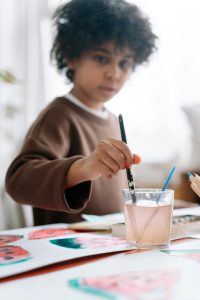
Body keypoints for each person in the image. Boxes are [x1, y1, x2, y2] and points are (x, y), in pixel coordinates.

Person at [5, 0, 157, 225]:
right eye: (102, 58)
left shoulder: (115, 121)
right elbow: (18, 182)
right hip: (68, 252)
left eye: (124, 63)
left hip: (110, 249)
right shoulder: (59, 115)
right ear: (71, 57)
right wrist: (85, 167)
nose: (114, 74)